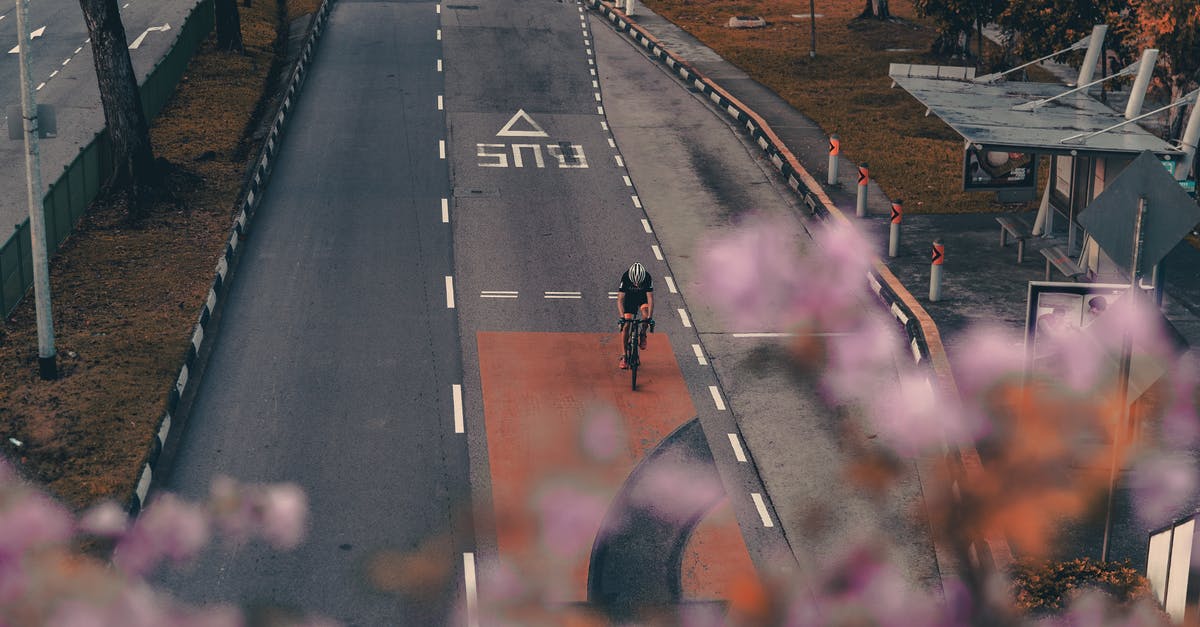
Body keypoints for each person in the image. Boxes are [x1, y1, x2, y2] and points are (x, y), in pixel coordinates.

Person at [617, 262, 654, 369]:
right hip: (630, 299)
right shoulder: (626, 277)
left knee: (645, 315)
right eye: (635, 283)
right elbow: (620, 300)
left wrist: (650, 318)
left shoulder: (647, 277)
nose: (637, 285)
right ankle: (624, 356)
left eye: (639, 283)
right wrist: (622, 318)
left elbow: (650, 299)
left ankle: (642, 334)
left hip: (642, 297)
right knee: (626, 325)